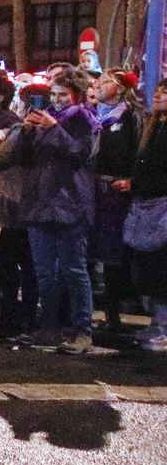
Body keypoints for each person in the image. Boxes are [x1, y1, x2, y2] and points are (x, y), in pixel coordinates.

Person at [15, 68, 98, 352]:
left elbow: (79, 154)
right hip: (40, 204)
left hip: (70, 205)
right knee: (44, 272)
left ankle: (82, 330)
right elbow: (23, 158)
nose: (57, 99)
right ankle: (48, 327)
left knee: (74, 270)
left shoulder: (85, 120)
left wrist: (54, 128)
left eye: (64, 94)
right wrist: (26, 132)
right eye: (54, 94)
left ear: (77, 95)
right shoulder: (45, 117)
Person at [0, 72, 38, 336]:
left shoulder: (20, 128)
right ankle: (20, 315)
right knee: (22, 262)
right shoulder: (30, 129)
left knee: (12, 261)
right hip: (26, 203)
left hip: (15, 204)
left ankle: (14, 316)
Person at [92, 70, 143, 342]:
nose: (98, 85)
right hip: (91, 189)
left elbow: (137, 152)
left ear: (120, 88)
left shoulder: (130, 117)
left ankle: (114, 314)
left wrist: (132, 180)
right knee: (90, 250)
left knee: (113, 254)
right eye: (98, 81)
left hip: (115, 191)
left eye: (105, 82)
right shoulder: (92, 114)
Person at [128, 78, 167, 350]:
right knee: (149, 268)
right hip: (147, 202)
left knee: (162, 267)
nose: (159, 95)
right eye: (158, 91)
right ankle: (157, 323)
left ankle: (164, 327)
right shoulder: (153, 126)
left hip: (162, 202)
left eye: (165, 92)